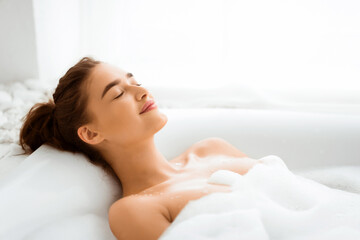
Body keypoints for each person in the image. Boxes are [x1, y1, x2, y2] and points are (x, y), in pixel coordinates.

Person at [20, 57, 260, 240]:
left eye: (135, 82)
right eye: (118, 93)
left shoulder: (212, 148)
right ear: (91, 133)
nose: (143, 92)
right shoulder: (134, 211)